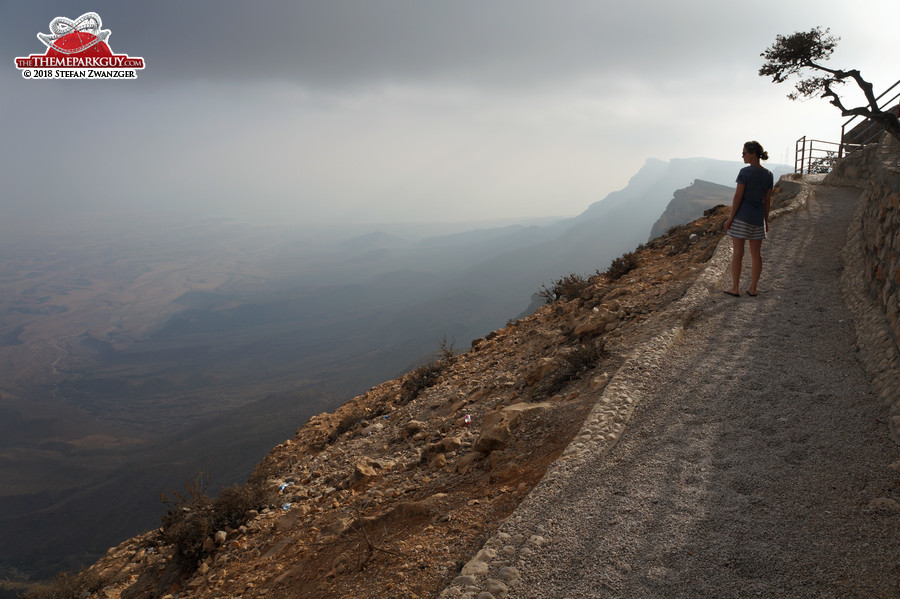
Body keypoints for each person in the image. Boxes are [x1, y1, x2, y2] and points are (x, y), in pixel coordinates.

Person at [723, 140, 774, 297]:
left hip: (742, 218)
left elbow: (738, 195)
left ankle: (735, 288)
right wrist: (765, 220)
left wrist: (731, 217)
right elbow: (767, 200)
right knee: (756, 254)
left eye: (744, 153)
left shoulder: (745, 172)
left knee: (738, 253)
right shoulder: (768, 175)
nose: (742, 156)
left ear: (753, 154)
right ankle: (753, 288)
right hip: (758, 220)